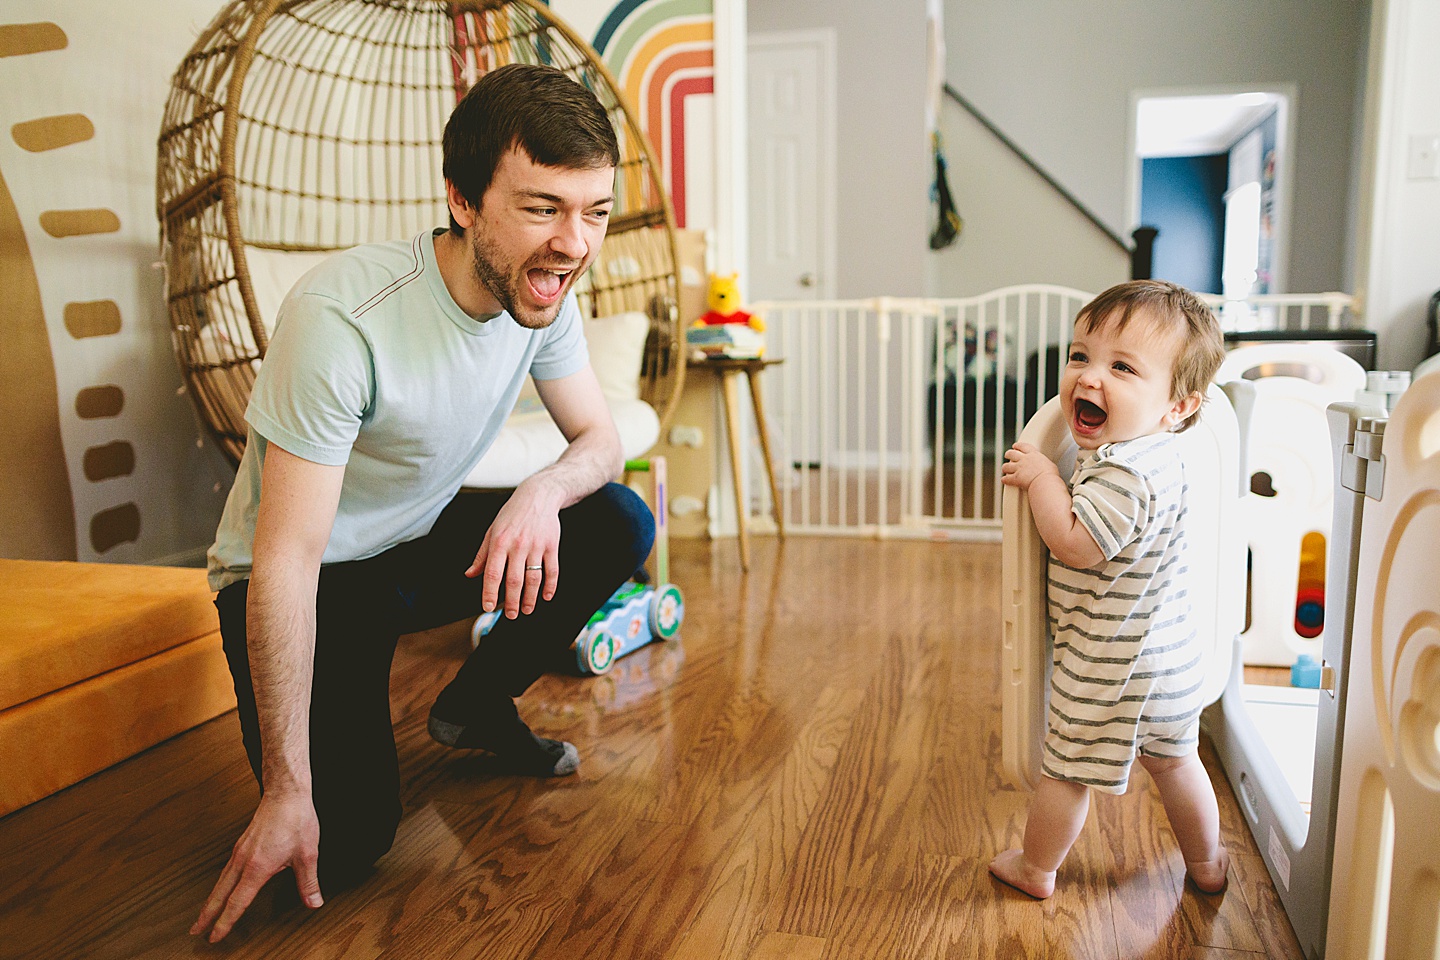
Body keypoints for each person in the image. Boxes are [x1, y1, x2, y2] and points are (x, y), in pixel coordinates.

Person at [191, 63, 655, 943]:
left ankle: (474, 706)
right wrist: (287, 789)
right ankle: (305, 790)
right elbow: (283, 560)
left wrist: (540, 493)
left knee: (617, 518)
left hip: (416, 537)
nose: (572, 243)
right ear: (463, 200)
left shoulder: (546, 294)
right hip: (316, 574)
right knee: (351, 843)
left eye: (593, 211)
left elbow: (599, 441)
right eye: (541, 207)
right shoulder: (344, 319)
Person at [991, 279, 1229, 899]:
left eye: (1122, 368)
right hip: (1170, 656)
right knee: (1177, 763)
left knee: (1067, 772)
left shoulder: (1124, 472)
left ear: (1178, 406)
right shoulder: (1167, 455)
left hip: (1110, 660)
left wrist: (1045, 475)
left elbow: (1075, 542)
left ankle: (1036, 869)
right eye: (1080, 356)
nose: (1089, 378)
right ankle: (1207, 863)